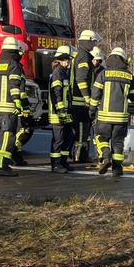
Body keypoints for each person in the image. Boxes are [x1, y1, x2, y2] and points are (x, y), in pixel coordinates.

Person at [87, 46, 134, 179]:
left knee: (101, 138)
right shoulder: (129, 75)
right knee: (118, 142)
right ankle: (117, 169)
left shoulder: (103, 74)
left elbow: (95, 94)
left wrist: (92, 109)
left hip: (104, 116)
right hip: (121, 117)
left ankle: (105, 156)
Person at [0, 36, 28, 177]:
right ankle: (2, 167)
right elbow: (14, 85)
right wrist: (18, 102)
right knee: (7, 137)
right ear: (15, 51)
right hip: (8, 109)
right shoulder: (14, 66)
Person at [70, 29, 102, 163]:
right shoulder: (83, 56)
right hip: (80, 102)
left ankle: (81, 155)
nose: (94, 44)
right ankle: (80, 156)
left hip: (79, 100)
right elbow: (81, 79)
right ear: (87, 41)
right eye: (93, 42)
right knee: (82, 131)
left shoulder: (81, 55)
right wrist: (87, 98)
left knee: (83, 130)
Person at [47, 45, 76, 174]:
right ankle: (55, 164)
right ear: (63, 60)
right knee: (58, 139)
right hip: (58, 113)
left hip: (65, 112)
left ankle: (63, 162)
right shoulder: (58, 72)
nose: (69, 62)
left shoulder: (63, 72)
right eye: (68, 59)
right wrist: (60, 110)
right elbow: (56, 92)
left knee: (69, 137)